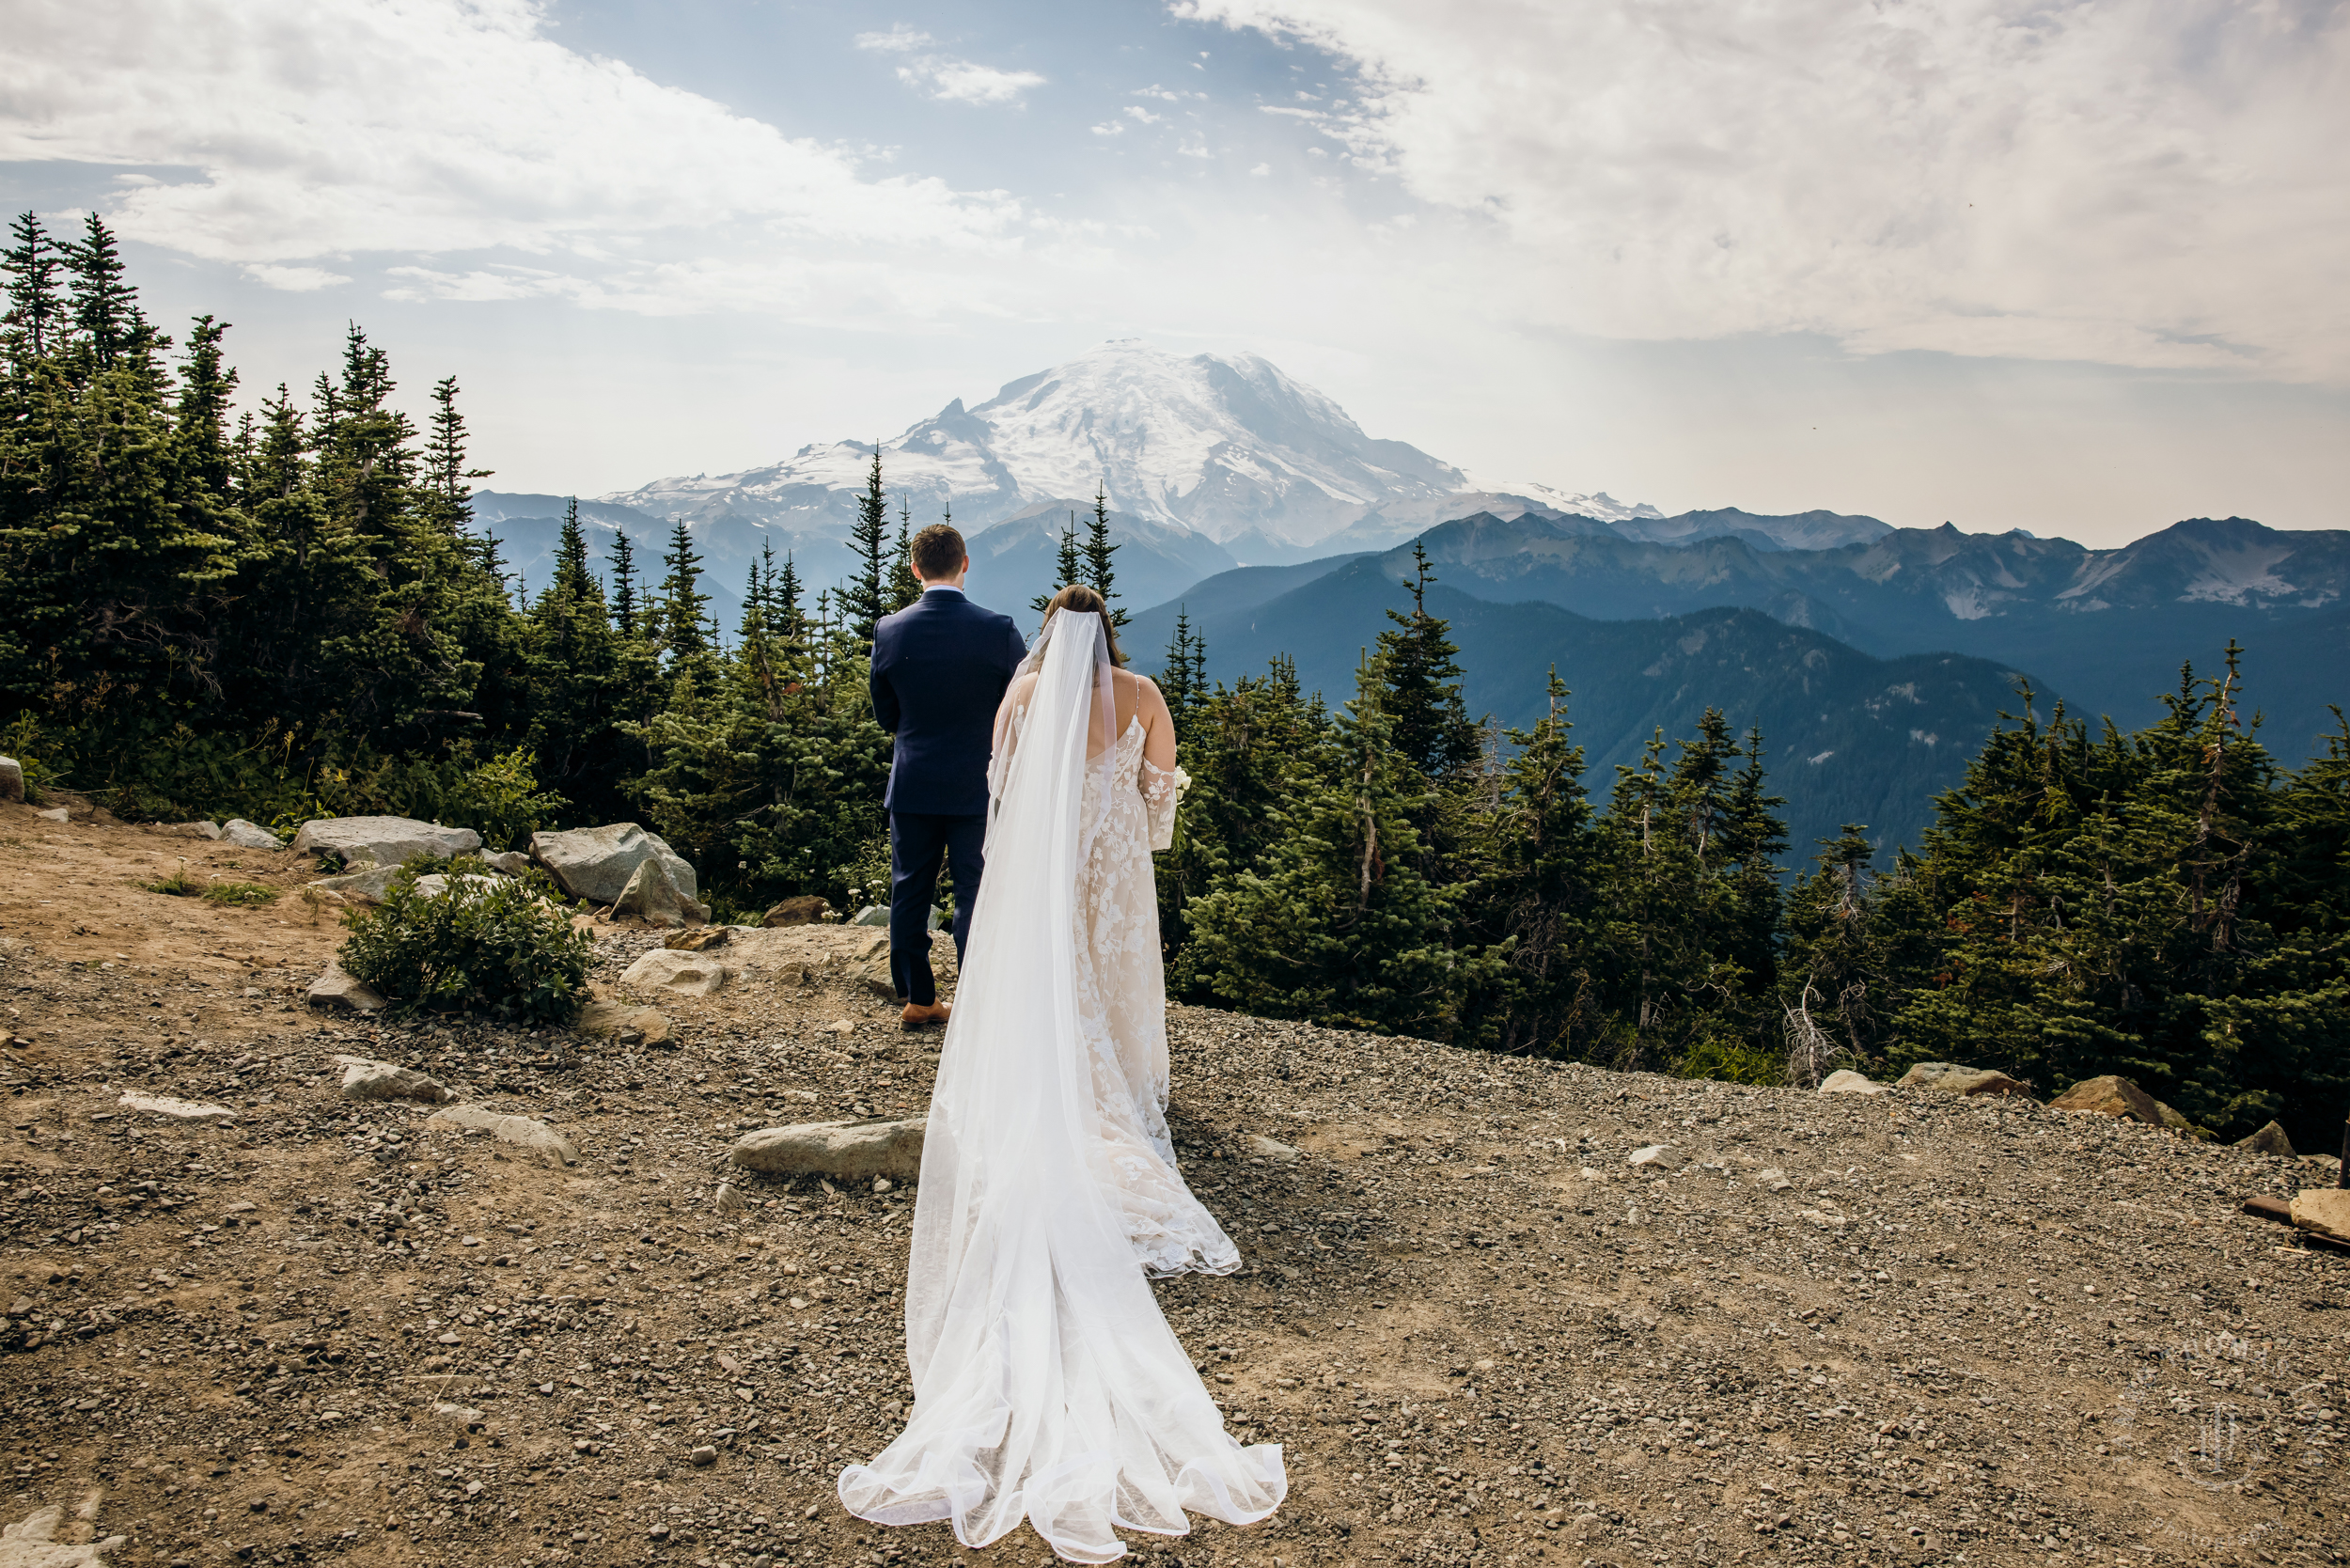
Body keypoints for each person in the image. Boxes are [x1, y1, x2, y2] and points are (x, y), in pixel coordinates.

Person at [839, 587, 1287, 1563]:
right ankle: (1116, 1104)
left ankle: (1055, 1094)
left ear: (1048, 631)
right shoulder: (1139, 691)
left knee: (1055, 984)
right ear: (1109, 633)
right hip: (1113, 860)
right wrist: (1128, 828)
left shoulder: (1024, 689)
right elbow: (1162, 790)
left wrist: (1044, 832)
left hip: (1042, 861)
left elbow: (999, 783)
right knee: (1115, 980)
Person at [868, 524, 1026, 1028]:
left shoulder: (889, 630)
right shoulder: (998, 629)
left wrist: (915, 737)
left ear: (915, 569)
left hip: (913, 781)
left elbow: (885, 713)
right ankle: (978, 1001)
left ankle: (918, 997)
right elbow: (1020, 709)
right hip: (977, 786)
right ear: (965, 564)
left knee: (909, 890)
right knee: (975, 892)